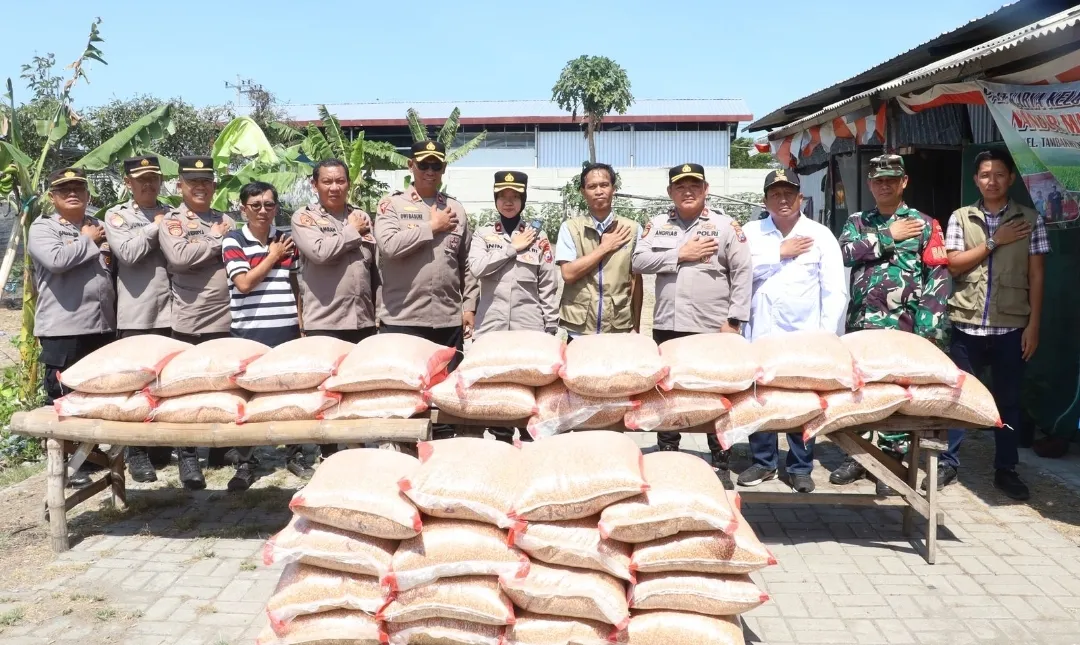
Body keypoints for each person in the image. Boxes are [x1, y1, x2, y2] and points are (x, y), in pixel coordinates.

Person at [832, 154, 950, 494]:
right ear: (870, 184)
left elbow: (938, 279)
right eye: (878, 180)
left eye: (891, 179)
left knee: (898, 395)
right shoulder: (857, 221)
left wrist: (929, 333)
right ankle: (858, 456)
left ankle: (891, 463)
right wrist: (888, 235)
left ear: (904, 182)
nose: (884, 185)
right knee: (861, 391)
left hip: (904, 328)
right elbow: (843, 254)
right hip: (862, 327)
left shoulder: (925, 225)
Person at [936, 149, 1046, 501]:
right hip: (966, 323)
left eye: (999, 174)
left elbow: (1037, 275)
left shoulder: (1030, 219)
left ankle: (1006, 469)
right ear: (976, 180)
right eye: (985, 174)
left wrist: (1033, 325)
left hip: (1010, 327)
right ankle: (948, 463)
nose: (992, 180)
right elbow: (953, 264)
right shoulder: (961, 218)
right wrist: (995, 241)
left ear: (1011, 178)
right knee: (958, 398)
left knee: (1008, 402)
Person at [631, 163, 751, 486]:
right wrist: (680, 254)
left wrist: (734, 320)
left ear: (706, 189)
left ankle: (720, 461)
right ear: (670, 191)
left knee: (714, 395)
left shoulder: (725, 226)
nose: (688, 192)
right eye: (680, 186)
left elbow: (743, 273)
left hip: (711, 327)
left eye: (694, 186)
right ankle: (668, 453)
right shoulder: (657, 225)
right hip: (668, 325)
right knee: (668, 394)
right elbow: (638, 261)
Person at [737, 169, 848, 493]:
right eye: (775, 194)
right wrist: (779, 253)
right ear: (765, 200)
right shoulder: (751, 232)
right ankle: (763, 461)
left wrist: (826, 335)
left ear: (801, 198)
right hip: (760, 333)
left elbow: (834, 290)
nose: (782, 200)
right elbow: (739, 273)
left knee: (802, 401)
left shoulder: (820, 235)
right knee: (760, 398)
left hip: (804, 337)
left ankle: (800, 466)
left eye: (789, 193)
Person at [374, 141, 477, 439]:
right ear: (411, 166)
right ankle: (404, 447)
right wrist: (432, 226)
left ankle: (444, 445)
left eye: (436, 165)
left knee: (445, 390)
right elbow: (389, 246)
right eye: (423, 164)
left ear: (443, 169)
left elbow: (466, 263)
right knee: (405, 392)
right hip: (403, 317)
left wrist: (469, 305)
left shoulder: (456, 209)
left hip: (446, 318)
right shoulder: (392, 205)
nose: (430, 171)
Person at [28, 168, 116, 488]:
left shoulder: (99, 225)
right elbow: (56, 261)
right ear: (53, 197)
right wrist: (87, 240)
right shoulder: (43, 228)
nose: (72, 193)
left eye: (78, 188)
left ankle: (93, 457)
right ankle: (68, 464)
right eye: (64, 189)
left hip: (101, 326)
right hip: (63, 328)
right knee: (64, 396)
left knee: (96, 392)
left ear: (88, 194)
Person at [291, 158, 377, 465]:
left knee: (357, 387)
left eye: (340, 181)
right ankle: (327, 452)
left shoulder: (361, 215)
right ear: (314, 184)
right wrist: (351, 231)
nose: (334, 187)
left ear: (348, 183)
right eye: (327, 181)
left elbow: (374, 267)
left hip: (361, 318)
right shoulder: (305, 217)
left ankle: (357, 448)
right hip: (325, 319)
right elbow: (319, 252)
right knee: (325, 390)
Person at [159, 156, 237, 489]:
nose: (200, 187)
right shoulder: (172, 221)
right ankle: (188, 456)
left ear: (214, 186)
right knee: (187, 389)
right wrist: (216, 240)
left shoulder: (226, 219)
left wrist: (204, 246)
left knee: (222, 384)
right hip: (190, 318)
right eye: (193, 182)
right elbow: (179, 257)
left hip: (225, 316)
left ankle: (220, 449)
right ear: (180, 186)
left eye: (206, 181)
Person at [467, 171, 558, 443]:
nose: (508, 202)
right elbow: (477, 268)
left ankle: (529, 442)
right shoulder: (483, 235)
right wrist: (511, 248)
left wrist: (550, 326)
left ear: (523, 200)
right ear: (495, 200)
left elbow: (548, 284)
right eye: (503, 196)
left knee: (529, 385)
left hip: (528, 327)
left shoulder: (538, 238)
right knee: (498, 387)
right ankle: (502, 438)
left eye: (515, 197)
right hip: (491, 326)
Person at [222, 181, 300, 491]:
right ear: (244, 209)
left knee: (289, 393)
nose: (263, 210)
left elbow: (294, 285)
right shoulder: (233, 240)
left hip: (286, 328)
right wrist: (272, 255)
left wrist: (301, 323)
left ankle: (295, 454)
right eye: (256, 205)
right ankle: (246, 461)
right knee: (247, 398)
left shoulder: (285, 240)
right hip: (248, 330)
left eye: (269, 204)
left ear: (276, 207)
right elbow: (243, 284)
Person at [102, 155, 176, 483]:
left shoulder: (175, 213)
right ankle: (137, 453)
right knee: (136, 385)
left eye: (153, 178)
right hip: (136, 314)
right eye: (141, 179)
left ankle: (162, 445)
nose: (148, 184)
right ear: (128, 183)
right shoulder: (117, 216)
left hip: (172, 312)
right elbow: (129, 254)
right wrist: (156, 226)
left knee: (166, 382)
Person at [556, 163, 642, 337]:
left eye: (604, 185)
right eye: (592, 186)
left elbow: (636, 281)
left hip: (618, 327)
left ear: (613, 189)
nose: (599, 191)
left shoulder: (632, 229)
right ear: (583, 192)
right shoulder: (570, 228)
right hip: (579, 329)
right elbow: (568, 274)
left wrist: (636, 326)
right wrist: (604, 248)